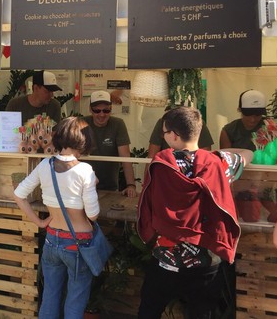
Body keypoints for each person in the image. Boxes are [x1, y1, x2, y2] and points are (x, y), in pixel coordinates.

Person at [137, 106, 253, 319]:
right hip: (206, 259)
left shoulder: (161, 163)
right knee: (202, 313)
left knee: (149, 310)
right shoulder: (220, 163)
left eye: (164, 132)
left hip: (167, 258)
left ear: (173, 135)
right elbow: (248, 153)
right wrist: (216, 153)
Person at [13, 116, 99, 319]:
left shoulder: (45, 164)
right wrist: (92, 185)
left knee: (50, 296)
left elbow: (18, 195)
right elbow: (93, 215)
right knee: (75, 301)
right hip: (78, 243)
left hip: (52, 240)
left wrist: (39, 222)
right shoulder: (85, 171)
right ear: (84, 139)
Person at [85, 90, 137, 198]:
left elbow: (125, 156)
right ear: (90, 109)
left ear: (111, 109)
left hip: (110, 187)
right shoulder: (81, 124)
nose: (102, 114)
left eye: (106, 110)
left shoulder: (118, 124)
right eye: (97, 110)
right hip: (82, 187)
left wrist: (131, 185)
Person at [147, 106, 214, 159]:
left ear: (174, 135)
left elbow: (151, 158)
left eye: (165, 133)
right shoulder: (214, 162)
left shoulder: (166, 162)